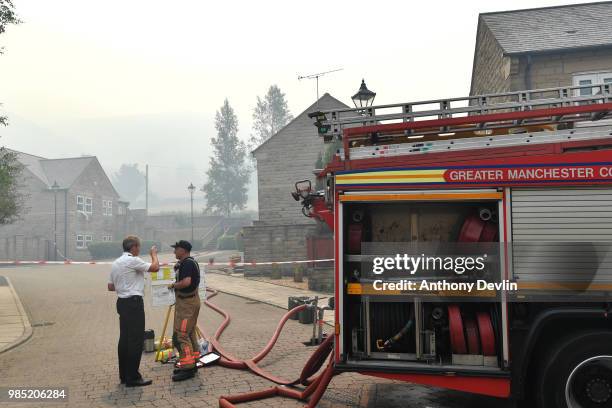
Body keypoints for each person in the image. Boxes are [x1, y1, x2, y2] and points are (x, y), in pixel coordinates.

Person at [108, 236, 160, 387]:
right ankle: (133, 377)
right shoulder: (132, 260)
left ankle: (124, 375)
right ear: (134, 247)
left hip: (122, 303)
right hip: (133, 303)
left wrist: (124, 285)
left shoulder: (116, 263)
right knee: (136, 340)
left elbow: (111, 287)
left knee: (124, 339)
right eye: (139, 247)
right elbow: (155, 268)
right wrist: (153, 255)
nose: (139, 249)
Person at [168, 240, 201, 382]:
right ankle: (192, 363)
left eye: (176, 249)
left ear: (183, 250)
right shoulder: (187, 263)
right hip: (190, 301)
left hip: (187, 304)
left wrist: (173, 285)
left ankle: (187, 368)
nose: (174, 252)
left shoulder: (187, 263)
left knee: (181, 335)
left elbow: (186, 282)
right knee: (189, 332)